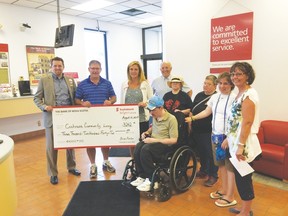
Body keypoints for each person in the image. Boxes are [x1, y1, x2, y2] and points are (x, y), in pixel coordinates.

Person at [185, 72, 237, 207]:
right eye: (220, 83)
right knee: (221, 165)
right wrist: (192, 118)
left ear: (231, 84)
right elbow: (207, 112)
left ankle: (230, 196)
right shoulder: (215, 97)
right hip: (216, 136)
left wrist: (229, 137)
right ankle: (224, 189)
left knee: (229, 167)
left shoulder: (235, 98)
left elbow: (237, 121)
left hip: (228, 138)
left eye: (226, 83)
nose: (222, 86)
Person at [34, 56, 81, 185]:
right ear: (51, 67)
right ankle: (53, 173)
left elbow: (76, 98)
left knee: (70, 144)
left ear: (63, 67)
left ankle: (71, 167)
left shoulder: (70, 80)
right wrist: (44, 107)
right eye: (55, 66)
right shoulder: (44, 80)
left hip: (68, 117)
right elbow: (36, 98)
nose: (57, 68)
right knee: (51, 147)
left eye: (60, 66)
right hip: (52, 118)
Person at [224, 62, 261, 216]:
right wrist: (228, 138)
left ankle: (245, 212)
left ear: (247, 76)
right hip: (235, 142)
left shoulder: (249, 95)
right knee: (240, 178)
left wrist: (240, 146)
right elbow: (235, 120)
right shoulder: (239, 93)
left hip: (244, 145)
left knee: (244, 178)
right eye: (233, 74)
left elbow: (247, 123)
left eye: (239, 73)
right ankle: (243, 208)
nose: (235, 77)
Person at [75, 60, 117, 178]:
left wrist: (110, 101)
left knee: (105, 141)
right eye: (92, 68)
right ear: (89, 69)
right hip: (88, 119)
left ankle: (106, 162)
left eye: (97, 68)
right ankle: (93, 165)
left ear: (100, 70)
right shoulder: (82, 84)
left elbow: (114, 97)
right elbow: (77, 99)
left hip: (104, 117)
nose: (95, 70)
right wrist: (82, 103)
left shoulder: (107, 83)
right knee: (90, 142)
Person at [130, 96, 178, 192]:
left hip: (165, 146)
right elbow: (153, 128)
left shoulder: (171, 119)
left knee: (145, 150)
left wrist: (154, 140)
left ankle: (153, 180)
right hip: (153, 143)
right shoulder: (156, 117)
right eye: (150, 110)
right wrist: (147, 132)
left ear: (161, 108)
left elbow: (174, 140)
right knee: (138, 146)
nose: (151, 113)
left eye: (153, 110)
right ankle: (142, 176)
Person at [190, 75, 218, 187]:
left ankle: (213, 175)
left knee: (210, 154)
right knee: (201, 152)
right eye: (204, 83)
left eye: (209, 84)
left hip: (208, 130)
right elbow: (192, 109)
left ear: (215, 86)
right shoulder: (199, 95)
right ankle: (204, 170)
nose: (205, 85)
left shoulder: (216, 97)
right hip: (197, 129)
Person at [121, 61, 153, 157]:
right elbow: (122, 100)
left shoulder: (145, 84)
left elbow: (151, 100)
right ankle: (133, 161)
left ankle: (142, 162)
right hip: (128, 118)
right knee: (131, 142)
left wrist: (145, 104)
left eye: (136, 69)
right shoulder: (124, 84)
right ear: (128, 71)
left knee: (142, 142)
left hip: (142, 118)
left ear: (139, 71)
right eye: (131, 69)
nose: (133, 71)